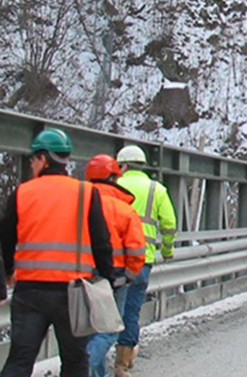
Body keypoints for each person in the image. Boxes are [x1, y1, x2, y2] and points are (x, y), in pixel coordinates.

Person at [0, 128, 114, 377]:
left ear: (43, 159)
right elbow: (102, 243)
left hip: (30, 291)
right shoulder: (86, 192)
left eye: (32, 160)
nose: (31, 165)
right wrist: (108, 279)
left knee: (19, 360)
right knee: (74, 362)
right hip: (73, 293)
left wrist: (9, 271)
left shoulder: (21, 193)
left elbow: (6, 240)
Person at [114, 145, 177, 377]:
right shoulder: (156, 189)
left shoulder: (114, 186)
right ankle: (122, 364)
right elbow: (169, 224)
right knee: (131, 310)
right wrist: (167, 249)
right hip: (143, 259)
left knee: (107, 310)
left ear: (123, 165)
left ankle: (96, 358)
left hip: (115, 260)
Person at [85, 154, 146, 377]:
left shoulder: (79, 204)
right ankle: (84, 368)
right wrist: (129, 275)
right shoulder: (123, 209)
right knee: (109, 329)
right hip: (115, 276)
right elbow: (137, 248)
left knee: (90, 329)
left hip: (82, 274)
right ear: (113, 178)